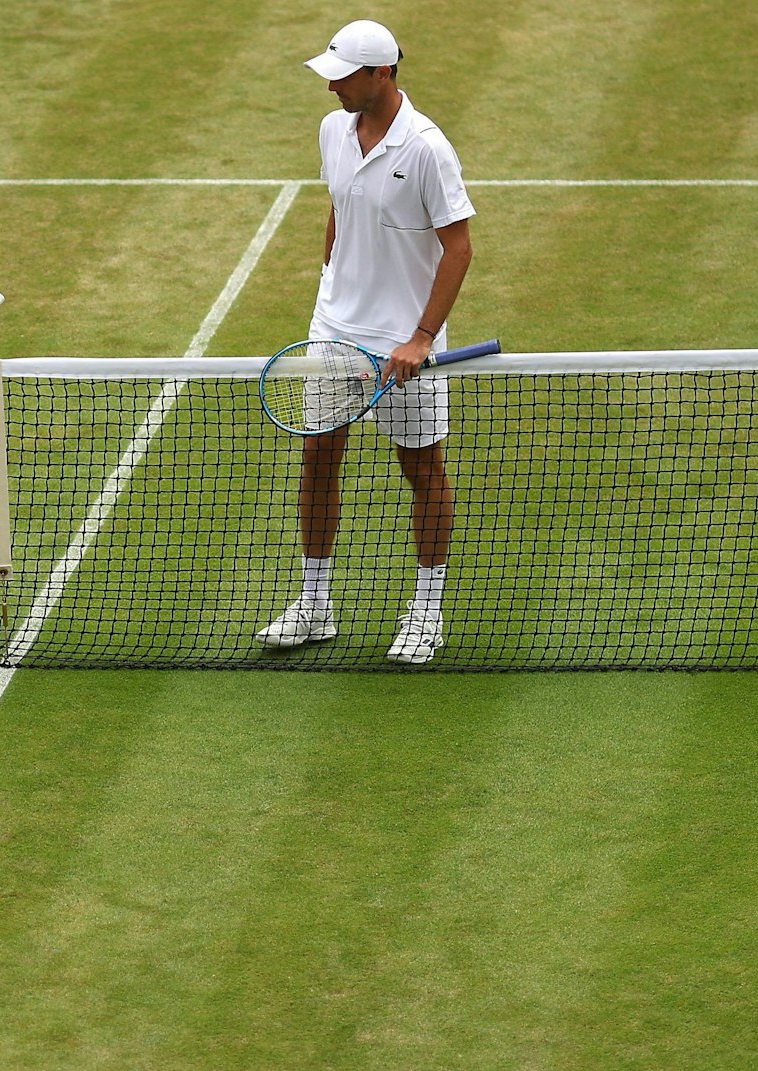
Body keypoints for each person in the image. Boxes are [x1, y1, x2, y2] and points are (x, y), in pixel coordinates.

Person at [257, 19, 475, 665]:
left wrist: (421, 336)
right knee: (318, 460)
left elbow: (458, 248)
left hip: (404, 346)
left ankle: (427, 611)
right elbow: (339, 207)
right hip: (335, 332)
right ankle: (315, 604)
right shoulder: (333, 130)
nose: (331, 88)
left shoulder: (428, 149)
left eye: (343, 76)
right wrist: (330, 288)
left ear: (381, 73)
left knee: (422, 469)